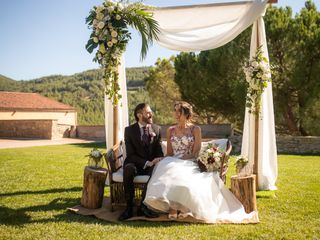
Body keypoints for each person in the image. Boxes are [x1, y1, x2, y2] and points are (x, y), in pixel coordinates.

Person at [143, 101, 258, 223]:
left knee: (182, 177)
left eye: (178, 111)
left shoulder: (195, 129)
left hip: (189, 161)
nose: (175, 113)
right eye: (175, 110)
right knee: (166, 171)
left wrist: (181, 159)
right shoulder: (170, 130)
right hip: (173, 160)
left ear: (186, 114)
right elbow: (170, 153)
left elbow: (196, 152)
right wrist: (163, 159)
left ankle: (180, 207)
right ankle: (173, 207)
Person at [118, 103, 164, 221]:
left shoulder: (157, 129)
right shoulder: (129, 130)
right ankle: (129, 208)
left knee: (156, 171)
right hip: (135, 163)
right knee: (128, 169)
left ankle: (143, 206)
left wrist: (157, 159)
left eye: (151, 112)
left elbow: (159, 151)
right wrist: (145, 162)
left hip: (151, 166)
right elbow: (131, 154)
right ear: (139, 115)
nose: (151, 114)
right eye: (147, 112)